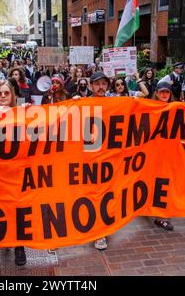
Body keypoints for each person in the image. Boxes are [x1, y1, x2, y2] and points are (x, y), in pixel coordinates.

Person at [0, 80, 29, 265]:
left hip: (17, 172)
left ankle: (19, 246)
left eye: (6, 93)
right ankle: (5, 239)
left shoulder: (23, 114)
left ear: (12, 96)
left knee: (18, 210)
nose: (3, 96)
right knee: (1, 209)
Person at [73, 71, 111, 250]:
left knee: (105, 194)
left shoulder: (116, 104)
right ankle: (98, 232)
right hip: (89, 158)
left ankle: (101, 230)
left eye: (104, 84)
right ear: (90, 86)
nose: (100, 87)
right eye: (97, 84)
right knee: (94, 195)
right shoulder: (82, 104)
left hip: (111, 158)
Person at [151, 82, 175, 230]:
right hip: (151, 154)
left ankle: (161, 216)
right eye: (162, 92)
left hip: (168, 155)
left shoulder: (176, 109)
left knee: (164, 184)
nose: (164, 95)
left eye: (167, 92)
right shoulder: (149, 108)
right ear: (157, 93)